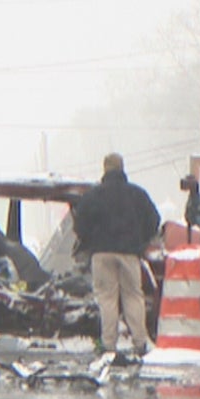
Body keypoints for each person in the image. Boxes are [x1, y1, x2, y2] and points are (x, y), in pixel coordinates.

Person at [74, 153, 161, 369]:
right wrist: (140, 242)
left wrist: (91, 241)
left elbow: (79, 224)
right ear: (122, 168)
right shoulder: (137, 194)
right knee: (133, 295)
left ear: (105, 169)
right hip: (129, 253)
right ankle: (140, 342)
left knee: (107, 298)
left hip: (101, 253)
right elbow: (154, 220)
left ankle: (109, 344)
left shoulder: (94, 195)